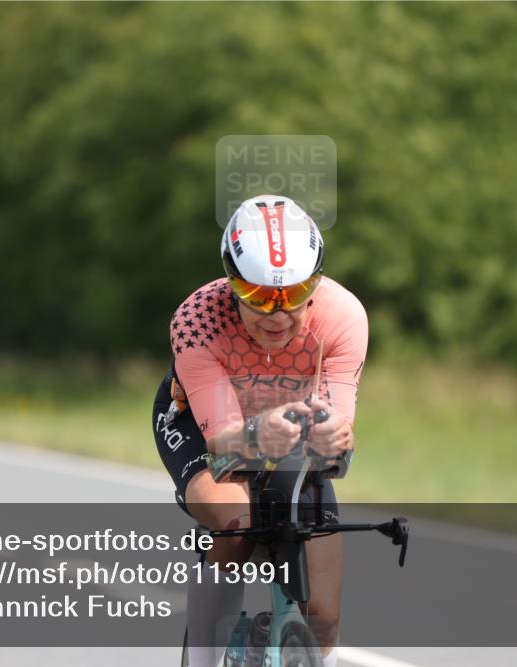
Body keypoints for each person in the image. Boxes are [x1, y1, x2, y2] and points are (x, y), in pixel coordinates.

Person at [152, 194, 368, 667]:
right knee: (236, 522)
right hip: (203, 423)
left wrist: (337, 438)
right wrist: (254, 435)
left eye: (292, 295)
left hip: (291, 428)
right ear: (232, 284)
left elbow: (338, 436)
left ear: (316, 282)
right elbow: (222, 446)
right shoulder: (197, 320)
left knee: (325, 618)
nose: (277, 314)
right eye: (259, 297)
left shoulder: (343, 315)